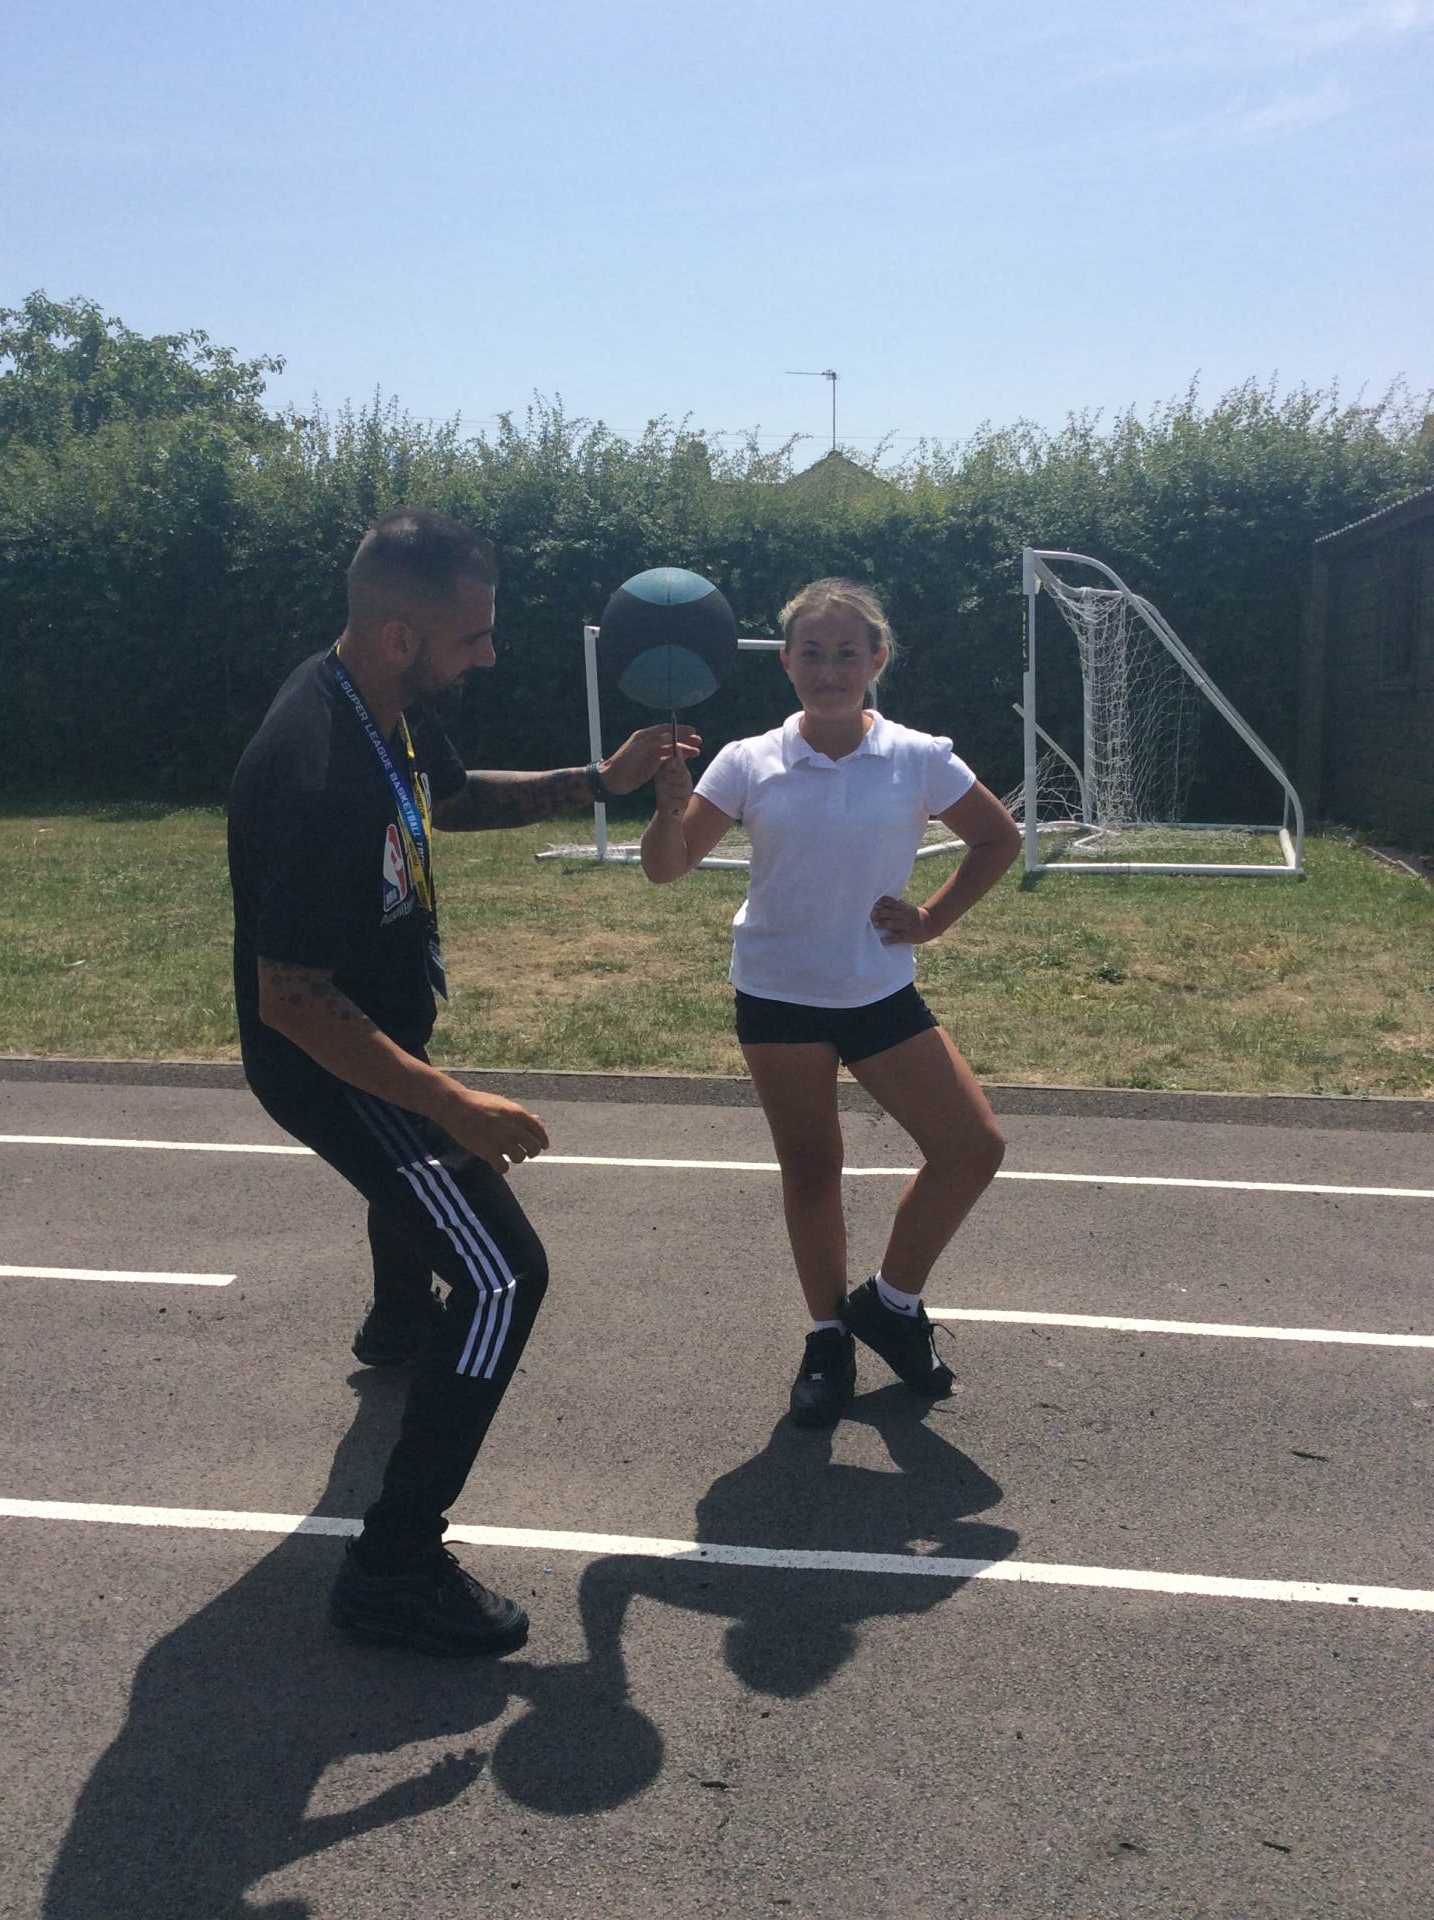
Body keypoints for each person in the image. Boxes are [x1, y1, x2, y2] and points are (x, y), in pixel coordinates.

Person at [228, 506, 696, 1655]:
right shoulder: (315, 766)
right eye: (473, 636)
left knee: (427, 1216)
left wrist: (599, 779)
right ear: (402, 634)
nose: (488, 654)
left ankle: (397, 1322)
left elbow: (453, 794)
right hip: (335, 1065)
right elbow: (291, 1000)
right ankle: (392, 1566)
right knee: (501, 1276)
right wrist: (456, 1106)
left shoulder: (381, 702)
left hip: (377, 1040)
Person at [641, 578, 1020, 1429]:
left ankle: (890, 1303)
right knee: (812, 1169)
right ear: (786, 663)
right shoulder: (748, 760)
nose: (829, 669)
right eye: (811, 653)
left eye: (848, 652)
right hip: (777, 995)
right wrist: (665, 813)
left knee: (972, 1148)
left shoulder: (919, 757)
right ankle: (826, 1338)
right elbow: (668, 867)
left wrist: (932, 920)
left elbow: (999, 838)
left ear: (877, 660)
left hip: (878, 991)